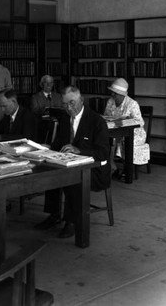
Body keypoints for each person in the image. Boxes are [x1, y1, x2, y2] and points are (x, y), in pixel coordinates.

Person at [35, 86, 111, 238]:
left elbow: (103, 153)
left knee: (72, 179)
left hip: (94, 170)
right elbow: (59, 145)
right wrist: (47, 148)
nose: (69, 108)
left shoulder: (96, 121)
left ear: (81, 101)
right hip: (70, 164)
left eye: (72, 103)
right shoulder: (64, 118)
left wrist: (79, 151)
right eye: (65, 104)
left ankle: (72, 221)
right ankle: (54, 215)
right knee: (51, 172)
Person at [103, 78, 149, 178]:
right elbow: (106, 116)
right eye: (112, 92)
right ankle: (111, 166)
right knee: (108, 139)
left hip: (135, 132)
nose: (113, 95)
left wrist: (125, 121)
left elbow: (140, 122)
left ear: (122, 94)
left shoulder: (132, 104)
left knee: (124, 140)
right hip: (115, 130)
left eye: (115, 93)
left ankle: (127, 169)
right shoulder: (110, 102)